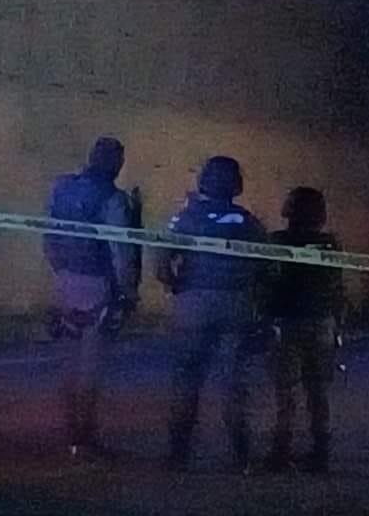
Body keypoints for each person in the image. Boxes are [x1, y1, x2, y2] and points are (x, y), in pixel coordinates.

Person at [155, 156, 268, 473]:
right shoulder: (248, 222)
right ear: (236, 184)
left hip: (193, 302)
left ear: (203, 180)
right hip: (236, 305)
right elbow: (266, 266)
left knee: (187, 378)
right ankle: (243, 458)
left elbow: (163, 261)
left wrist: (177, 285)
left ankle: (177, 455)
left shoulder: (185, 218)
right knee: (234, 381)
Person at [43, 137, 142, 459]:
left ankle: (72, 435)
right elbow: (120, 252)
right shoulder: (114, 199)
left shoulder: (62, 187)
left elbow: (49, 236)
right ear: (115, 163)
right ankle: (86, 438)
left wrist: (61, 271)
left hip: (66, 282)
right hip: (99, 286)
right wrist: (127, 292)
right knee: (91, 366)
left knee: (69, 363)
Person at [264, 187, 345, 474]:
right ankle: (321, 452)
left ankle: (281, 451)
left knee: (286, 392)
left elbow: (267, 283)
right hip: (322, 321)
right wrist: (339, 322)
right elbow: (337, 286)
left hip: (287, 322)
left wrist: (263, 317)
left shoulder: (277, 241)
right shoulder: (330, 245)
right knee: (318, 391)